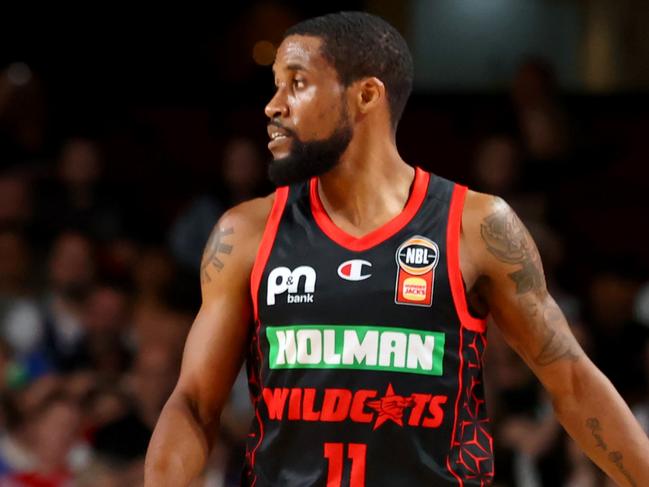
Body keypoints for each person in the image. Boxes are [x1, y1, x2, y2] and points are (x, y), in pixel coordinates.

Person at [145, 11, 649, 486]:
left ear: (366, 95)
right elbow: (193, 404)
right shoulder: (246, 232)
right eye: (275, 84)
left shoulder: (473, 225)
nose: (273, 105)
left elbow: (574, 385)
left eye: (297, 83)